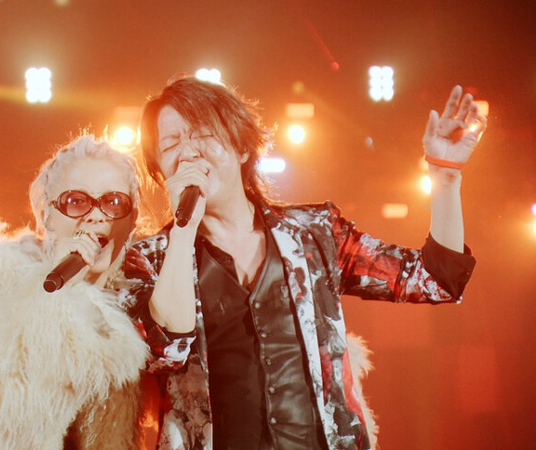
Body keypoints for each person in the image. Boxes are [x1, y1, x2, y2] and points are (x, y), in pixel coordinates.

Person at [122, 77, 484, 450]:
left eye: (202, 134)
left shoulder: (316, 233)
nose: (188, 152)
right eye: (171, 144)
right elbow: (166, 351)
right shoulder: (148, 259)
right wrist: (183, 231)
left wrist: (446, 177)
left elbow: (435, 279)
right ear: (160, 170)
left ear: (242, 147)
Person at [0, 134, 151, 449]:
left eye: (113, 202)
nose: (96, 215)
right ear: (46, 216)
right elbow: (11, 424)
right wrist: (60, 291)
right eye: (76, 201)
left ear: (132, 219)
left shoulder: (132, 309)